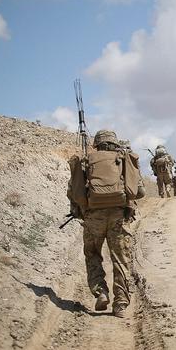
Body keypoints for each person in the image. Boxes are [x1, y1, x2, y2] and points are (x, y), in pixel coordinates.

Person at [67, 129, 145, 318]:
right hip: (119, 217)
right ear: (114, 143)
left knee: (92, 254)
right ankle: (120, 304)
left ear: (98, 144)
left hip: (93, 218)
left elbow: (74, 192)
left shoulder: (88, 160)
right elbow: (140, 192)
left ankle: (101, 292)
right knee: (121, 260)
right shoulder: (123, 159)